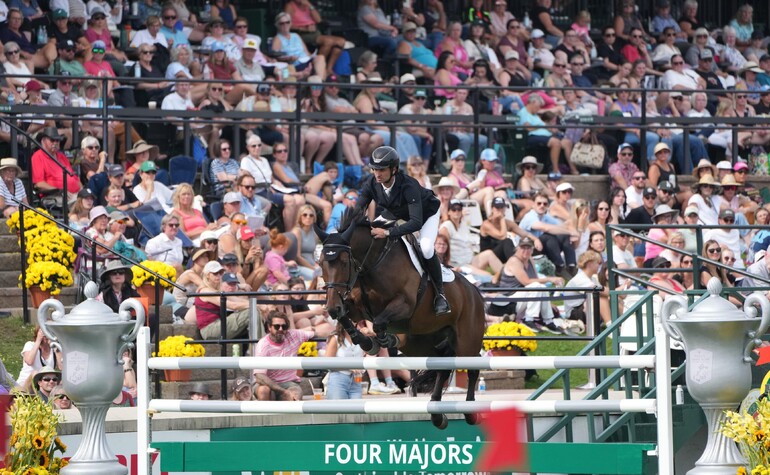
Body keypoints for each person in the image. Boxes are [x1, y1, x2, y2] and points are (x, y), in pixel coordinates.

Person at [355, 146, 449, 315]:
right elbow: (358, 209)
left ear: (394, 169)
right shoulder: (371, 183)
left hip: (426, 214)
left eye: (382, 169)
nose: (377, 174)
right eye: (375, 169)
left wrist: (388, 233)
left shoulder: (408, 185)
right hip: (396, 213)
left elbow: (415, 223)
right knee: (370, 235)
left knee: (426, 247)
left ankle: (440, 294)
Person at [498, 237, 564, 334]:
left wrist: (547, 303)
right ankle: (528, 319)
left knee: (541, 287)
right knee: (537, 286)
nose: (526, 250)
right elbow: (527, 282)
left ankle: (548, 321)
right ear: (517, 248)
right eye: (523, 247)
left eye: (528, 248)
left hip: (524, 299)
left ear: (532, 249)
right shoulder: (514, 261)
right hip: (509, 303)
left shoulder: (530, 260)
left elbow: (536, 280)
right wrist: (550, 279)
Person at [253, 310, 314, 401]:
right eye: (277, 326)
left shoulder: (293, 335)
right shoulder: (263, 345)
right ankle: (266, 415)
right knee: (263, 391)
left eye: (284, 326)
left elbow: (316, 332)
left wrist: (335, 334)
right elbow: (260, 376)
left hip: (289, 382)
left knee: (295, 395)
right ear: (269, 327)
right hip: (268, 382)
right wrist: (283, 391)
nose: (281, 329)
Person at [519, 192, 579, 280]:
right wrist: (570, 232)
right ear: (533, 205)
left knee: (563, 235)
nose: (542, 206)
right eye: (539, 203)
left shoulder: (545, 216)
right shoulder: (529, 216)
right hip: (527, 248)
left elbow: (561, 226)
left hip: (542, 247)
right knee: (548, 236)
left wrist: (569, 231)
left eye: (545, 204)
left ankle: (571, 266)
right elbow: (545, 228)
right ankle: (560, 266)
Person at [194, 262, 252, 340]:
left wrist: (261, 306)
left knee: (255, 311)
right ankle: (261, 346)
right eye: (215, 273)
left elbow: (237, 300)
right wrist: (256, 306)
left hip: (217, 325)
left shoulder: (217, 290)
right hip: (209, 329)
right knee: (250, 312)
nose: (218, 276)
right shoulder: (205, 291)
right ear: (207, 275)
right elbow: (233, 305)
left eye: (221, 273)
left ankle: (259, 345)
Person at [325, 321, 364, 400]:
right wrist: (348, 367)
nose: (353, 322)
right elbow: (327, 363)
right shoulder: (335, 338)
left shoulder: (361, 337)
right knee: (338, 410)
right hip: (338, 379)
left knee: (356, 410)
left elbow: (371, 352)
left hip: (356, 380)